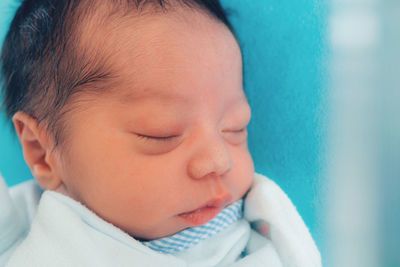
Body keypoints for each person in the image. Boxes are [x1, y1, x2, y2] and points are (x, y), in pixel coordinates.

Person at [0, 0, 321, 266]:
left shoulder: (260, 238)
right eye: (162, 135)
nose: (218, 160)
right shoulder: (28, 232)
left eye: (235, 128)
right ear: (43, 152)